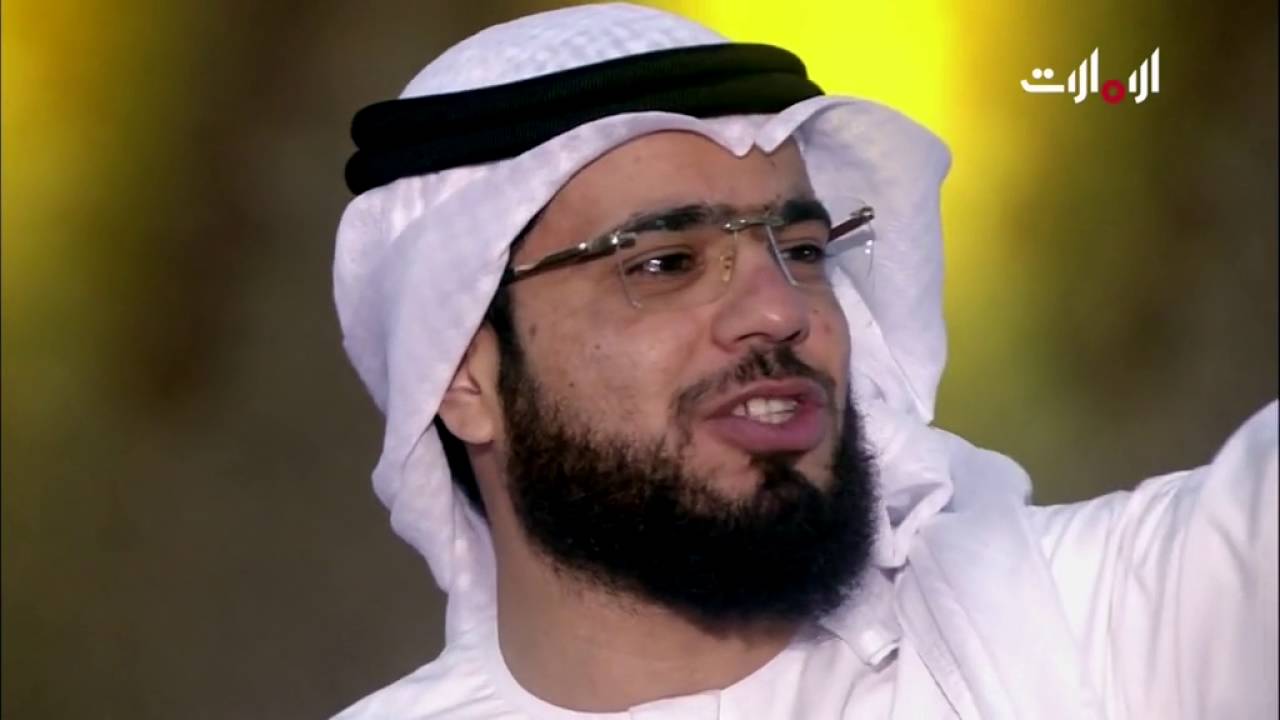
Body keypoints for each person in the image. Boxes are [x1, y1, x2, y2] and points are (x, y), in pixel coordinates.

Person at [331, 4, 1278, 718]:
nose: (782, 312)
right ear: (463, 377)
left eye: (805, 250)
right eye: (664, 264)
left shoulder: (1099, 622)